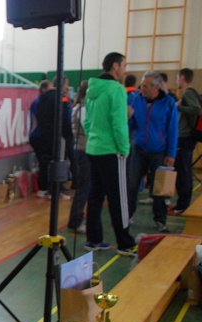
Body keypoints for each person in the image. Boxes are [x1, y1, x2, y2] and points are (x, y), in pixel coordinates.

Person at [83, 52, 138, 256]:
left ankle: (93, 239)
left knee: (95, 195)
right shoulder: (116, 89)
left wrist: (93, 138)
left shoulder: (92, 89)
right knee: (119, 198)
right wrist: (124, 148)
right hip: (111, 150)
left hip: (94, 149)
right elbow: (119, 123)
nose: (125, 70)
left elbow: (87, 121)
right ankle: (125, 243)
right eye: (124, 65)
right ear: (115, 66)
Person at [127, 72, 178, 232]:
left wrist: (171, 154)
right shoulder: (136, 100)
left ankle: (160, 220)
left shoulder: (168, 103)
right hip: (139, 149)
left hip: (159, 151)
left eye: (145, 86)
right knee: (132, 184)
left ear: (155, 87)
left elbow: (173, 129)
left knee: (159, 188)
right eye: (142, 85)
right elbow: (132, 125)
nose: (141, 88)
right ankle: (127, 216)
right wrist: (128, 118)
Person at [33, 77, 73, 199]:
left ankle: (43, 189)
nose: (68, 88)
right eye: (67, 85)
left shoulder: (42, 97)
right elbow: (65, 119)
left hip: (42, 135)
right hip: (55, 136)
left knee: (44, 162)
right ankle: (55, 191)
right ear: (62, 85)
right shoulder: (61, 98)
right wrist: (68, 136)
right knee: (57, 161)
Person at [173, 68, 201, 214]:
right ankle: (182, 203)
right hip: (185, 138)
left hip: (185, 138)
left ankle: (183, 205)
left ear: (182, 78)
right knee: (183, 170)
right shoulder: (190, 93)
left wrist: (179, 107)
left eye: (177, 78)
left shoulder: (188, 93)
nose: (176, 81)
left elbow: (196, 109)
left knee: (183, 171)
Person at [68, 80, 90, 233]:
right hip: (83, 151)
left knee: (85, 187)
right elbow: (89, 129)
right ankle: (76, 221)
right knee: (83, 188)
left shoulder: (79, 107)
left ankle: (78, 219)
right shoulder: (82, 109)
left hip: (81, 150)